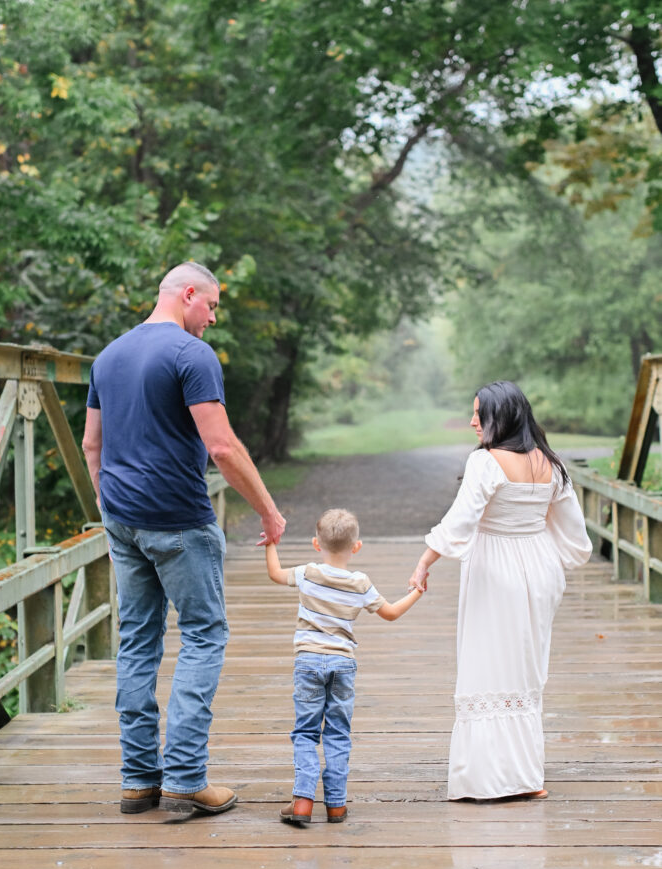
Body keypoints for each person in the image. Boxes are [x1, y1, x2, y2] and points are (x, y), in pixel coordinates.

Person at [82, 261, 286, 816]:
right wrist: (268, 511)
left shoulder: (108, 356)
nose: (213, 319)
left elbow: (91, 447)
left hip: (123, 521)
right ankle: (186, 777)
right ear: (188, 294)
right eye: (213, 306)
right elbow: (221, 447)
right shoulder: (191, 355)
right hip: (178, 520)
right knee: (203, 635)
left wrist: (110, 506)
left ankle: (137, 779)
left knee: (138, 641)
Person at [408, 381, 592, 802]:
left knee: (487, 665)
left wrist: (424, 561)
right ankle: (528, 776)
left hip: (497, 568)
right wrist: (538, 547)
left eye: (480, 414)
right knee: (526, 670)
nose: (473, 421)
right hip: (540, 569)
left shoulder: (487, 462)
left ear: (502, 417)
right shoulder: (550, 463)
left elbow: (460, 520)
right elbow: (576, 538)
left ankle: (489, 780)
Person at [265, 507, 423, 825]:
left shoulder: (308, 573)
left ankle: (303, 802)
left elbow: (275, 573)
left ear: (315, 543)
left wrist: (271, 541)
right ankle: (336, 805)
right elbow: (390, 613)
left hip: (308, 661)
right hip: (342, 664)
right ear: (356, 546)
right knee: (338, 733)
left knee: (306, 733)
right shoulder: (360, 582)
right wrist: (417, 592)